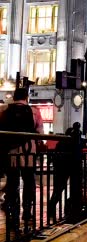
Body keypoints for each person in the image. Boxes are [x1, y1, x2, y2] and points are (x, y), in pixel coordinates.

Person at [0, 88, 44, 231]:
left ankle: (13, 213)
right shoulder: (34, 111)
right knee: (29, 182)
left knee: (12, 183)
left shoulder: (4, 109)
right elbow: (40, 132)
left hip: (11, 152)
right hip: (28, 151)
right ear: (26, 97)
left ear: (13, 97)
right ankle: (27, 212)